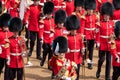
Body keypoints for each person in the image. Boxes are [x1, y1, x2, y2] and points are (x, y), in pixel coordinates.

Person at [95, 2, 114, 80]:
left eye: (108, 15)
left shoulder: (112, 23)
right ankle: (99, 69)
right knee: (102, 59)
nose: (106, 16)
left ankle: (107, 76)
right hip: (102, 44)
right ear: (103, 15)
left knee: (109, 61)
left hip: (109, 44)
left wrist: (113, 37)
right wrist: (98, 42)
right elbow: (97, 34)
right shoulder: (99, 24)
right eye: (105, 15)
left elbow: (113, 33)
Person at [65, 15, 85, 80]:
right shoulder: (66, 37)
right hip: (69, 58)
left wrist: (82, 49)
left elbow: (82, 45)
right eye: (73, 30)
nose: (74, 31)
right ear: (70, 29)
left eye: (75, 30)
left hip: (77, 58)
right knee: (70, 73)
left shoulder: (79, 36)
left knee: (77, 73)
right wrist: (66, 49)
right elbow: (65, 47)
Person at [40, 1, 55, 70]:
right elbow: (41, 30)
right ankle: (43, 59)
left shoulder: (53, 20)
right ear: (46, 14)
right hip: (45, 39)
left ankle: (49, 65)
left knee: (51, 53)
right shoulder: (43, 21)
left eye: (50, 14)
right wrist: (41, 38)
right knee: (45, 51)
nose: (49, 15)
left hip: (51, 39)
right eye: (48, 14)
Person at [84, 0, 98, 69]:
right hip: (86, 35)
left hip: (92, 35)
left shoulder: (95, 16)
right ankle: (84, 59)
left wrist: (96, 33)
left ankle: (90, 63)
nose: (91, 11)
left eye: (92, 10)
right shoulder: (84, 17)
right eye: (89, 10)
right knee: (86, 50)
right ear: (87, 10)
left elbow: (96, 26)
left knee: (91, 50)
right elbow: (83, 27)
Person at [0, 13, 13, 80]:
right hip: (1, 54)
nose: (6, 28)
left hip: (8, 54)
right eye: (5, 27)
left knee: (7, 71)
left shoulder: (11, 33)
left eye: (7, 27)